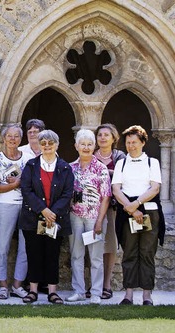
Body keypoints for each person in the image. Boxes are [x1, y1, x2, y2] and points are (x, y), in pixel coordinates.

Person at [18, 129, 74, 304]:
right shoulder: (31, 165)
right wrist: (43, 210)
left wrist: (53, 213)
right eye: (43, 143)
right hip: (33, 218)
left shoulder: (65, 168)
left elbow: (67, 193)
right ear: (39, 145)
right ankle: (33, 290)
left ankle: (52, 292)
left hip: (55, 220)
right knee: (33, 254)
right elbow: (26, 190)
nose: (47, 146)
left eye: (50, 143)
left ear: (57, 145)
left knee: (52, 254)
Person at [112, 125, 163, 306]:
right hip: (127, 212)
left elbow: (155, 188)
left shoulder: (152, 163)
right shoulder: (121, 163)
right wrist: (131, 208)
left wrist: (137, 204)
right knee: (129, 252)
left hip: (149, 210)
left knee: (147, 253)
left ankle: (147, 295)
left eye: (134, 142)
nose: (131, 146)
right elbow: (116, 189)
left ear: (142, 142)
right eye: (128, 142)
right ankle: (128, 294)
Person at [66, 129, 111, 304]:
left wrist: (99, 221)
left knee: (95, 257)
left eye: (89, 144)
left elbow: (106, 196)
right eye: (82, 144)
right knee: (76, 255)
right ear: (76, 146)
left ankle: (96, 293)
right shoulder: (70, 168)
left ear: (94, 146)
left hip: (94, 218)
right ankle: (78, 291)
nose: (86, 147)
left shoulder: (101, 168)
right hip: (75, 217)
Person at [0, 124, 31, 300]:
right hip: (5, 204)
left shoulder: (28, 158)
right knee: (2, 244)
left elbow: (30, 184)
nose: (12, 139)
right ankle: (2, 285)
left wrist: (16, 183)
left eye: (16, 136)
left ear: (20, 139)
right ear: (4, 138)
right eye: (9, 136)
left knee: (25, 245)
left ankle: (17, 284)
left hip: (25, 205)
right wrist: (16, 184)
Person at [94, 123, 125, 300]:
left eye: (107, 135)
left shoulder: (119, 156)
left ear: (114, 138)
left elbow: (123, 176)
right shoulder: (90, 154)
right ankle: (94, 283)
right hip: (93, 207)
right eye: (100, 135)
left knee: (110, 246)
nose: (103, 138)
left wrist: (105, 171)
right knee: (94, 245)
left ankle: (106, 284)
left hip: (112, 207)